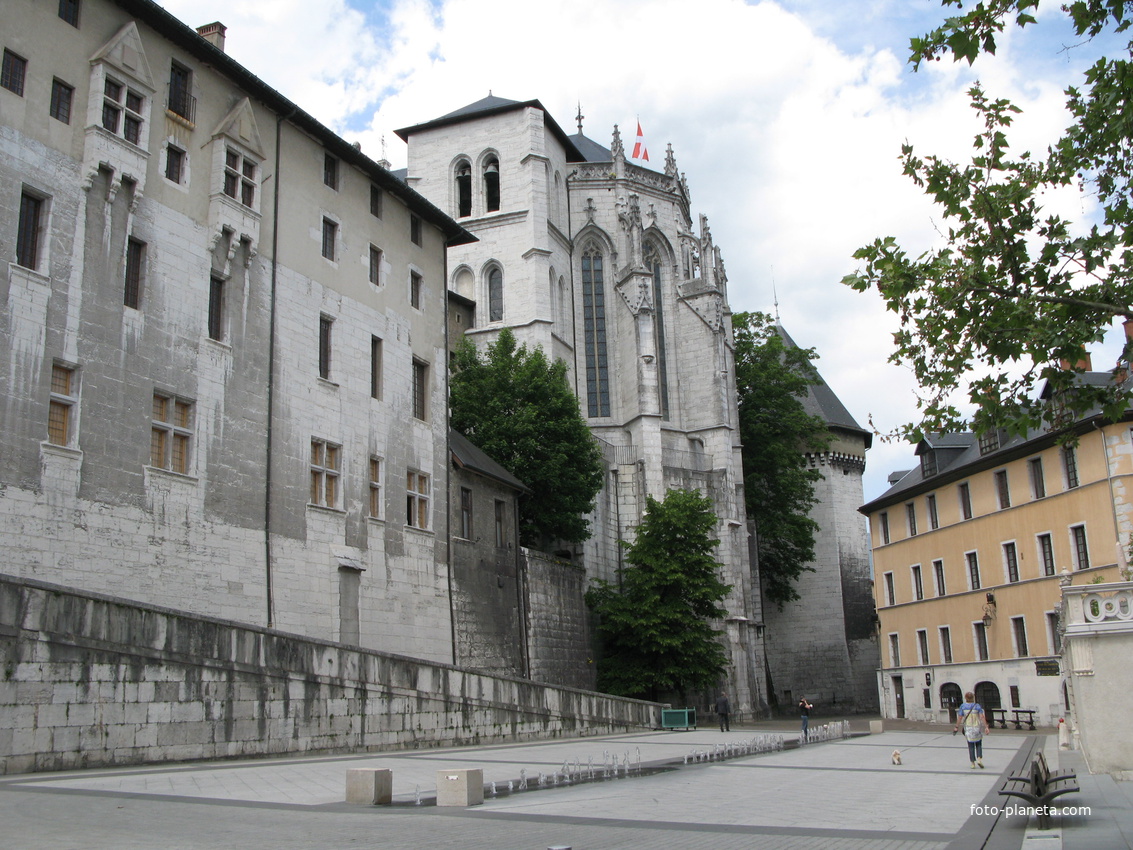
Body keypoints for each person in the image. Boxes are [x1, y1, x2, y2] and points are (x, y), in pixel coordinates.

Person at [954, 691, 991, 768]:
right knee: (978, 744)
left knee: (970, 745)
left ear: (966, 698)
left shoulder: (963, 706)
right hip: (977, 727)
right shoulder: (977, 706)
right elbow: (982, 717)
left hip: (968, 728)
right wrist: (986, 727)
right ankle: (979, 758)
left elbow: (960, 717)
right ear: (973, 698)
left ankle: (972, 763)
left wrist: (956, 727)